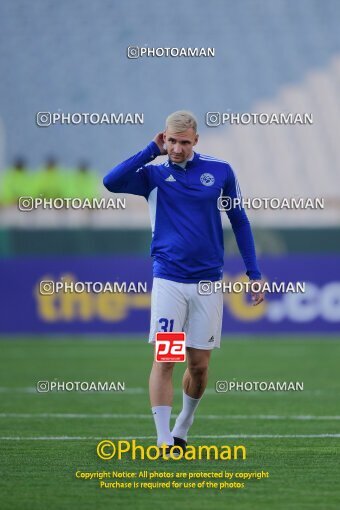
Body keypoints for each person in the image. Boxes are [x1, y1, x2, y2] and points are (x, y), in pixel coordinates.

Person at [103, 110, 264, 455]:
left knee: (200, 367)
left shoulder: (220, 171)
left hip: (208, 283)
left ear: (196, 141)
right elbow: (111, 181)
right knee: (166, 359)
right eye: (172, 141)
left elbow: (240, 221)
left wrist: (254, 274)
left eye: (184, 142)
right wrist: (150, 150)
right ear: (164, 137)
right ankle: (163, 439)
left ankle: (183, 424)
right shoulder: (153, 174)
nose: (177, 148)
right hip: (169, 281)